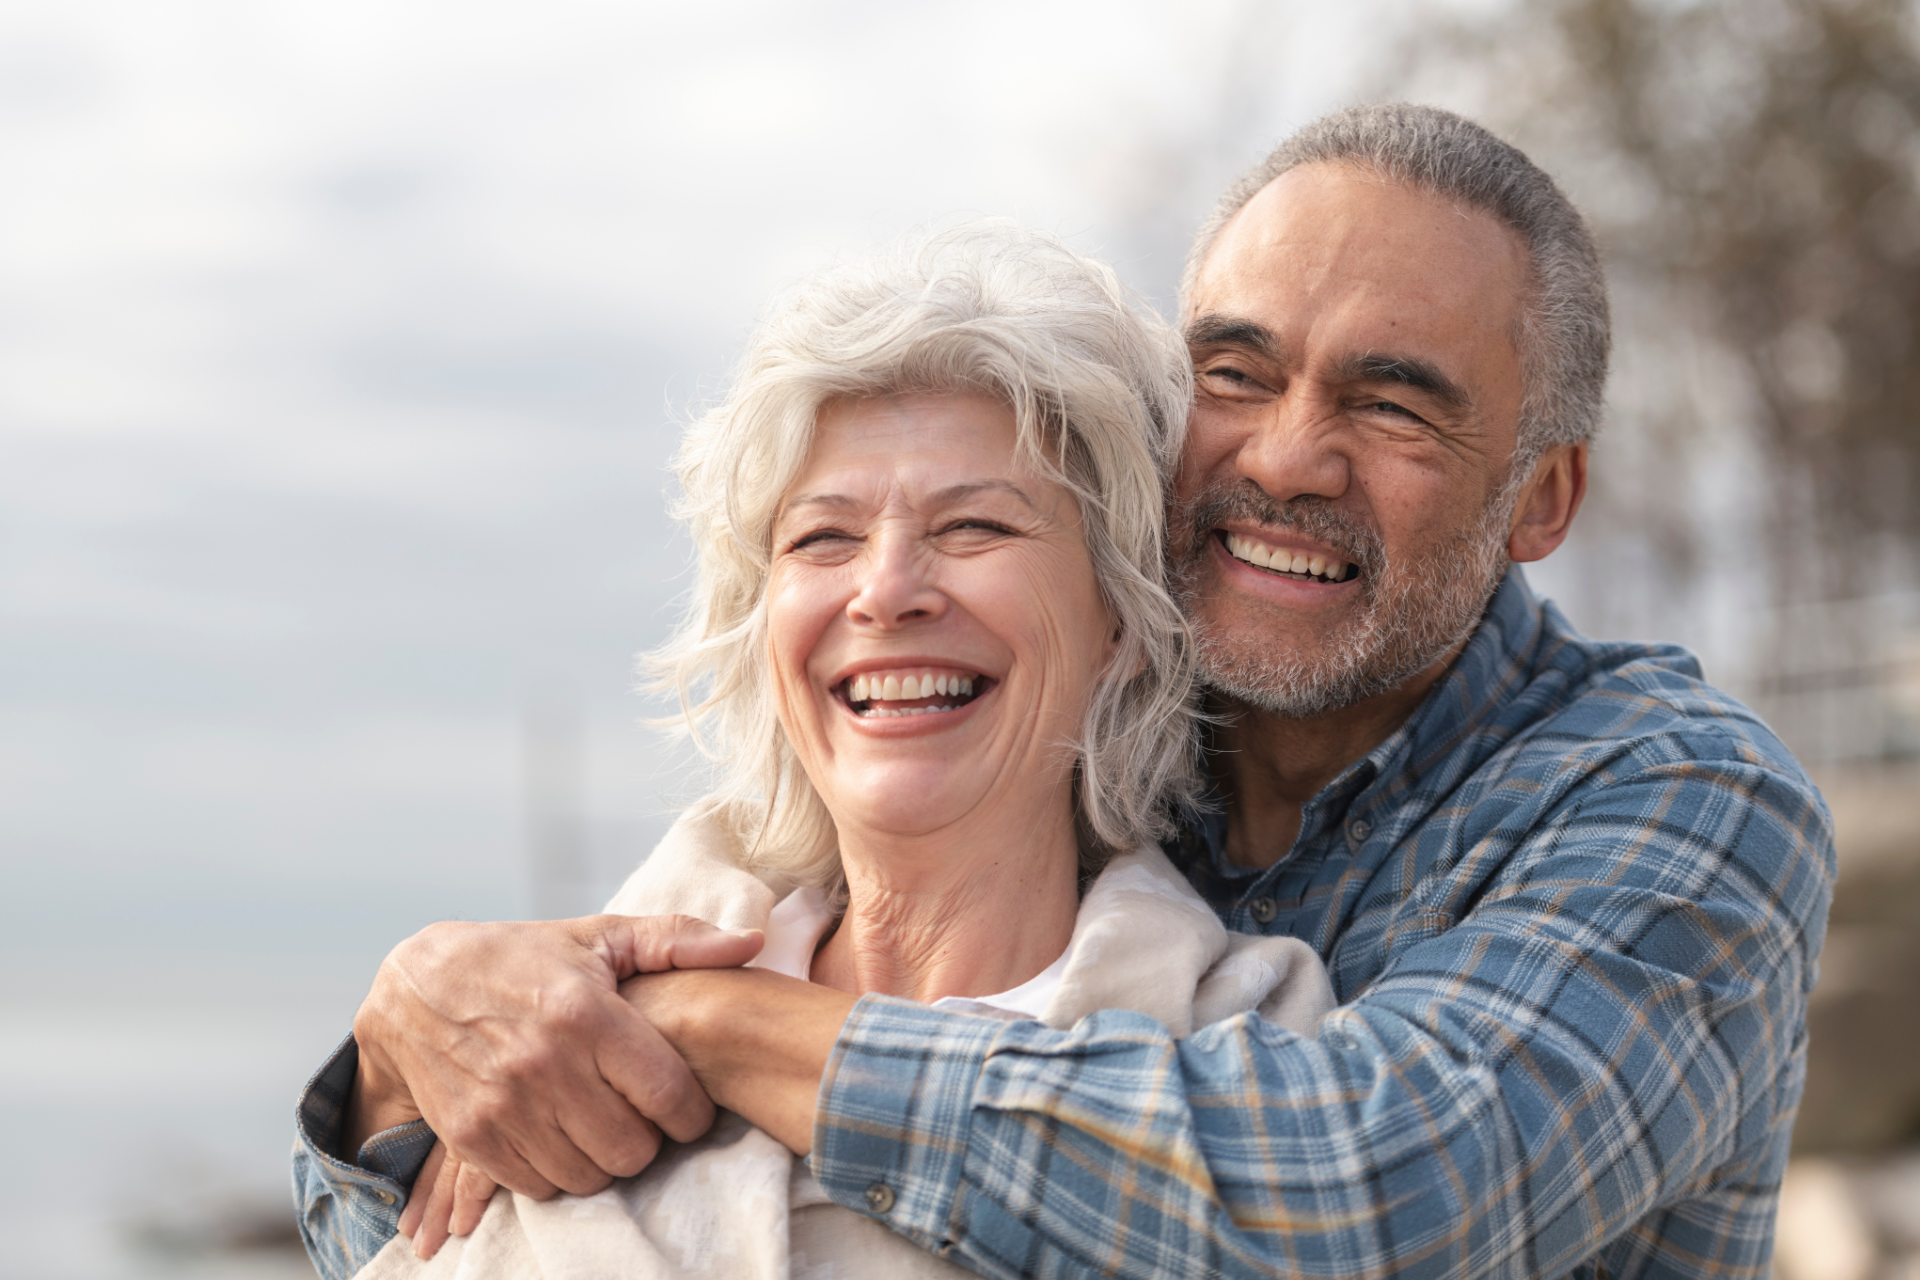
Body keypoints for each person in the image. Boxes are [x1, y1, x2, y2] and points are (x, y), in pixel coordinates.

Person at [296, 104, 1834, 1280]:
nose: (1286, 457)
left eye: (1390, 402)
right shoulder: (1058, 750)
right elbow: (436, 1207)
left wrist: (711, 1027)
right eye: (1235, 375)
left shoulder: (1679, 798)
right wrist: (401, 1049)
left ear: (1543, 498)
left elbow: (1381, 1189)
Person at [312, 221, 1338, 1279]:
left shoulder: (1250, 1042)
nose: (887, 589)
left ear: (1117, 620)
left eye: (976, 526)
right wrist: (390, 1058)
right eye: (823, 537)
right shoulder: (554, 1041)